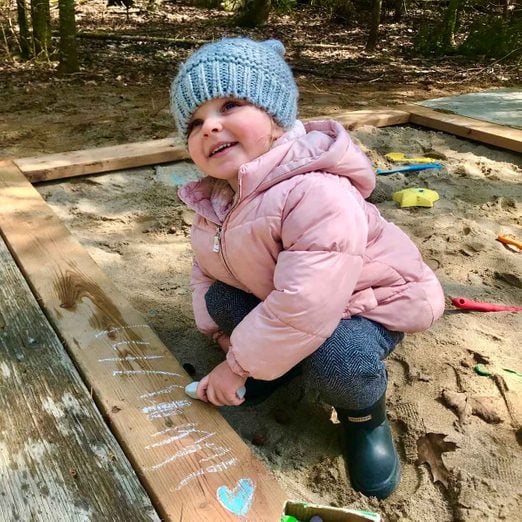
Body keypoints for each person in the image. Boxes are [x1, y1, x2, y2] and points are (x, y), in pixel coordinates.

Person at [170, 37, 445, 499]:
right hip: (297, 304)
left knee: (336, 361)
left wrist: (236, 367)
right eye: (195, 123)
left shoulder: (317, 193)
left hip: (369, 302)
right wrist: (221, 336)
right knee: (221, 300)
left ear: (276, 117)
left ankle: (365, 418)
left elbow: (306, 303)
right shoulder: (217, 196)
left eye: (230, 105)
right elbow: (208, 269)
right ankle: (276, 366)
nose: (210, 128)